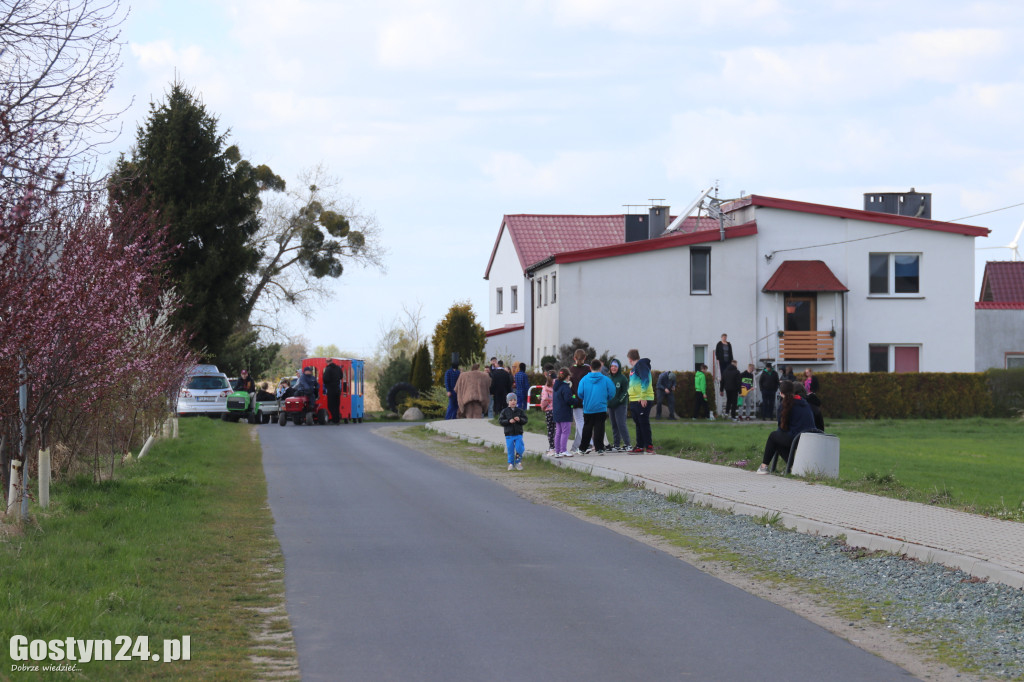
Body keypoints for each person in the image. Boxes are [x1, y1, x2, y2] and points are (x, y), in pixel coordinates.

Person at [756, 380, 815, 474]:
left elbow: (781, 428)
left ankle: (764, 466)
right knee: (779, 440)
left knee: (774, 437)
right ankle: (793, 468)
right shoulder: (804, 403)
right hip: (810, 438)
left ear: (781, 393)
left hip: (797, 438)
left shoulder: (785, 405)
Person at [577, 359, 616, 454]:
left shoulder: (584, 379)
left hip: (588, 407)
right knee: (600, 427)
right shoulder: (606, 379)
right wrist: (606, 398)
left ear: (590, 367)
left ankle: (583, 448)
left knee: (587, 428)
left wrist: (585, 398)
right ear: (600, 367)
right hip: (601, 407)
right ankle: (599, 448)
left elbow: (580, 393)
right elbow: (612, 392)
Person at [626, 349, 655, 453]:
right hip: (634, 399)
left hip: (642, 399)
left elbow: (645, 380)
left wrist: (643, 396)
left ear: (629, 359)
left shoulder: (641, 364)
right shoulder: (634, 368)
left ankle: (649, 446)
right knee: (638, 423)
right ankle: (640, 445)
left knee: (643, 422)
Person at [606, 359, 631, 452]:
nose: (613, 368)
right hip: (611, 405)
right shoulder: (608, 378)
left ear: (618, 367)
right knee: (614, 425)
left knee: (621, 424)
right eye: (612, 366)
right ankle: (616, 445)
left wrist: (618, 400)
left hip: (620, 405)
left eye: (615, 366)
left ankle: (627, 444)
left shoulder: (623, 378)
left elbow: (625, 392)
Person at [499, 392, 528, 471]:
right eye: (511, 400)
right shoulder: (504, 411)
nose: (513, 402)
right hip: (509, 434)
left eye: (514, 400)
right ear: (508, 402)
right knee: (510, 449)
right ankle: (511, 463)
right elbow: (501, 421)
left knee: (519, 448)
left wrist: (520, 420)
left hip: (518, 434)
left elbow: (525, 420)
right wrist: (508, 421)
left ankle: (518, 462)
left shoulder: (520, 411)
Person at [568, 349, 590, 453]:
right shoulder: (588, 369)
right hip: (587, 399)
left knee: (580, 422)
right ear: (585, 358)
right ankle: (576, 446)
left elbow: (569, 385)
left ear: (574, 358)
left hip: (576, 399)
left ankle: (589, 443)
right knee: (583, 423)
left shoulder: (571, 370)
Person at [552, 368, 574, 457]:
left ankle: (557, 451)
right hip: (565, 412)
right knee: (565, 431)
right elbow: (568, 400)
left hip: (557, 412)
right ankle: (563, 450)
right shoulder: (566, 387)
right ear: (567, 377)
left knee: (558, 432)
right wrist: (575, 400)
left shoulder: (556, 387)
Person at [539, 371, 556, 454]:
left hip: (549, 410)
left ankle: (551, 447)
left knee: (550, 429)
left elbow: (545, 398)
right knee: (557, 429)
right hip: (557, 410)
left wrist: (543, 406)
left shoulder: (546, 387)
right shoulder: (558, 385)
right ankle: (557, 446)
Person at [322, 358, 343, 424]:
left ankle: (335, 419)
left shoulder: (328, 369)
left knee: (330, 406)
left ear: (327, 362)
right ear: (332, 361)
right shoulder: (338, 368)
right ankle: (337, 419)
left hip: (331, 389)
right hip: (337, 389)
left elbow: (325, 379)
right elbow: (341, 376)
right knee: (336, 405)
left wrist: (327, 384)